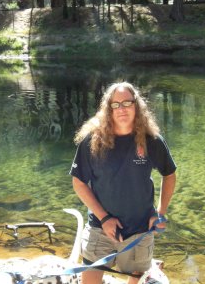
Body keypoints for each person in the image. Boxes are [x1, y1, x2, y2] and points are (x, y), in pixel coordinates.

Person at [69, 82, 177, 284]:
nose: (122, 109)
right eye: (115, 104)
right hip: (100, 228)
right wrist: (104, 218)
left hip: (140, 230)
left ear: (137, 105)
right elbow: (79, 183)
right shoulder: (92, 141)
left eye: (127, 102)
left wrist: (160, 213)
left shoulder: (151, 140)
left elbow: (169, 174)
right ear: (108, 109)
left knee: (134, 279)